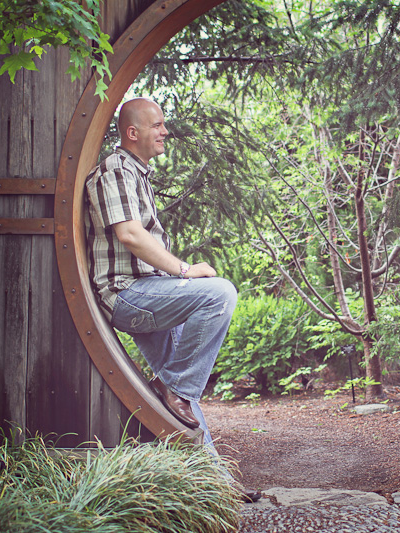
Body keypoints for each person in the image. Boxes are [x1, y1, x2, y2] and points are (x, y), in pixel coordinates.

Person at [85, 98, 259, 501]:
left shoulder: (135, 174)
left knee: (182, 393)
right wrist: (183, 271)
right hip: (128, 295)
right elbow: (130, 235)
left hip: (148, 291)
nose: (165, 132)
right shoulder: (115, 171)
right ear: (133, 132)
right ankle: (170, 384)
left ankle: (215, 482)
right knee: (219, 294)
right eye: (158, 125)